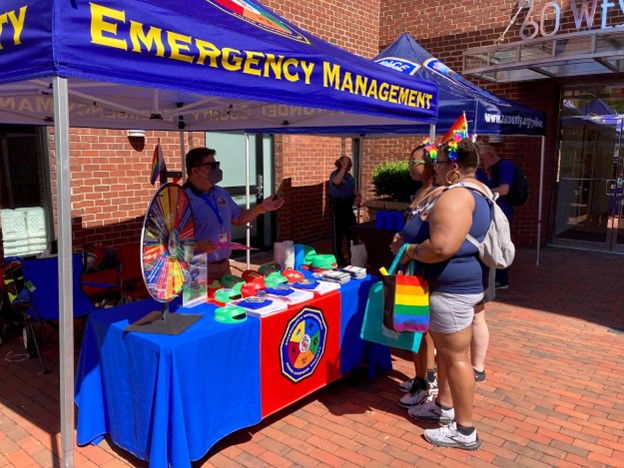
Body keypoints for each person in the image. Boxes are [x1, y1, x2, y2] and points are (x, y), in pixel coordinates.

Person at [391, 135, 490, 450]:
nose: (437, 166)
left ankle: (464, 430)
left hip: (450, 289)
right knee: (448, 355)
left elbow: (442, 246)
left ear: (456, 167)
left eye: (442, 162)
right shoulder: (476, 191)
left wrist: (408, 251)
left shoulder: (457, 196)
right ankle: (444, 408)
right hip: (456, 287)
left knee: (457, 358)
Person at [184, 147, 285, 281]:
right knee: (201, 303)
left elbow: (238, 218)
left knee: (227, 301)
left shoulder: (220, 193)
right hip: (197, 267)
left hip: (225, 266)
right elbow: (169, 243)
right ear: (195, 171)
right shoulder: (181, 199)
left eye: (217, 165)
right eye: (210, 166)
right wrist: (197, 245)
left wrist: (261, 208)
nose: (216, 170)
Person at [394, 142, 439, 407]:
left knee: (422, 328)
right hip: (410, 266)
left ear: (430, 164)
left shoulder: (437, 193)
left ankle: (425, 382)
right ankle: (420, 375)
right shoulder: (422, 190)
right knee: (414, 325)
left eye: (414, 162)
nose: (410, 166)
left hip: (421, 270)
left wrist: (407, 247)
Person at [478, 144, 514, 289]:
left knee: (499, 243)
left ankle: (501, 279)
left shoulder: (504, 166)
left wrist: (484, 191)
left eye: (482, 158)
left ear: (489, 155)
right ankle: (496, 276)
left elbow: (504, 190)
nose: (482, 162)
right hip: (496, 209)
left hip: (503, 211)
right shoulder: (494, 168)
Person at [328, 156, 361, 266]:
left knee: (352, 231)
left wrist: (358, 196)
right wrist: (343, 168)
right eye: (348, 164)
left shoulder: (349, 177)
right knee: (338, 234)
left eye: (350, 164)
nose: (350, 166)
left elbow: (353, 189)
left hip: (348, 207)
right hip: (337, 207)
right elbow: (336, 182)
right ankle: (338, 259)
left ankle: (353, 257)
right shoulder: (335, 174)